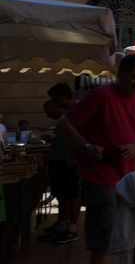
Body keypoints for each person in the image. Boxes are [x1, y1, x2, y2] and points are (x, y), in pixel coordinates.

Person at [58, 54, 135, 264]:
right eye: (133, 77)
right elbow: (65, 122)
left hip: (128, 178)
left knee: (125, 235)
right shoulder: (102, 95)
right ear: (120, 74)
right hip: (100, 177)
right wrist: (86, 146)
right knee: (104, 238)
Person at [38, 83, 80, 244]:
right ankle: (62, 226)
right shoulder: (68, 113)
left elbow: (82, 136)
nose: (54, 102)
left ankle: (71, 229)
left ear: (62, 97)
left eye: (55, 99)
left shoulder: (77, 112)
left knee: (72, 194)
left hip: (70, 160)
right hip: (62, 158)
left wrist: (75, 157)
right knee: (63, 195)